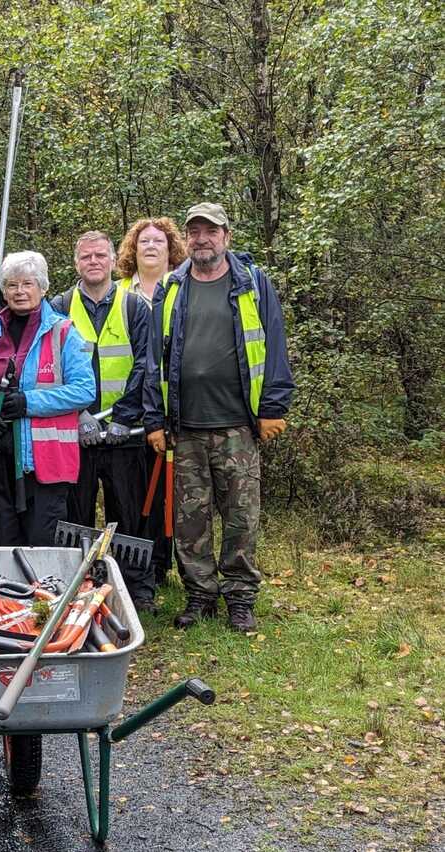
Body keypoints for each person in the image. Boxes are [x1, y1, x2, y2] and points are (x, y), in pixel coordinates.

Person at [144, 202, 295, 632]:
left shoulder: (252, 284)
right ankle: (199, 595)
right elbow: (154, 358)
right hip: (185, 427)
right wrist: (155, 419)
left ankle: (240, 597)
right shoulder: (172, 288)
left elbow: (275, 346)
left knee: (241, 517)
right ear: (186, 239)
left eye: (210, 231)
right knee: (190, 521)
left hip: (237, 426)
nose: (202, 239)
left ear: (226, 236)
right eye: (194, 232)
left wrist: (272, 408)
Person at [0, 251, 94, 546]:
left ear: (43, 288)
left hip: (45, 463)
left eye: (27, 284)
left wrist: (28, 403)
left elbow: (85, 389)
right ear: (3, 290)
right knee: (3, 542)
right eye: (12, 285)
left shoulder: (63, 333)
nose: (19, 292)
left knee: (41, 545)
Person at [47, 232, 151, 610]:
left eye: (100, 255)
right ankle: (79, 586)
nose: (94, 261)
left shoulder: (136, 306)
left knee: (128, 512)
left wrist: (125, 415)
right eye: (86, 256)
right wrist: (78, 415)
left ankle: (135, 589)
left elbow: (146, 363)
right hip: (77, 433)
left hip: (126, 433)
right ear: (77, 263)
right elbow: (51, 368)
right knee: (77, 513)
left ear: (112, 260)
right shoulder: (59, 306)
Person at [115, 218, 187, 592]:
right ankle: (134, 566)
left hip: (169, 408)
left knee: (166, 493)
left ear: (171, 247)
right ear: (132, 248)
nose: (151, 246)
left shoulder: (183, 287)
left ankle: (161, 563)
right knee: (136, 495)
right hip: (125, 416)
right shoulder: (119, 293)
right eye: (144, 240)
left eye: (159, 240)